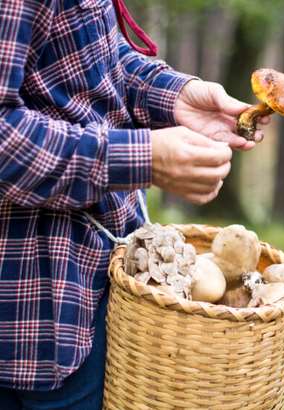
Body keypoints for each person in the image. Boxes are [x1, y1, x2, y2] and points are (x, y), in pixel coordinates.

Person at [0, 1, 267, 408]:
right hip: (35, 318)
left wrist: (174, 96)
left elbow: (83, 55)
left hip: (96, 275)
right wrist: (142, 157)